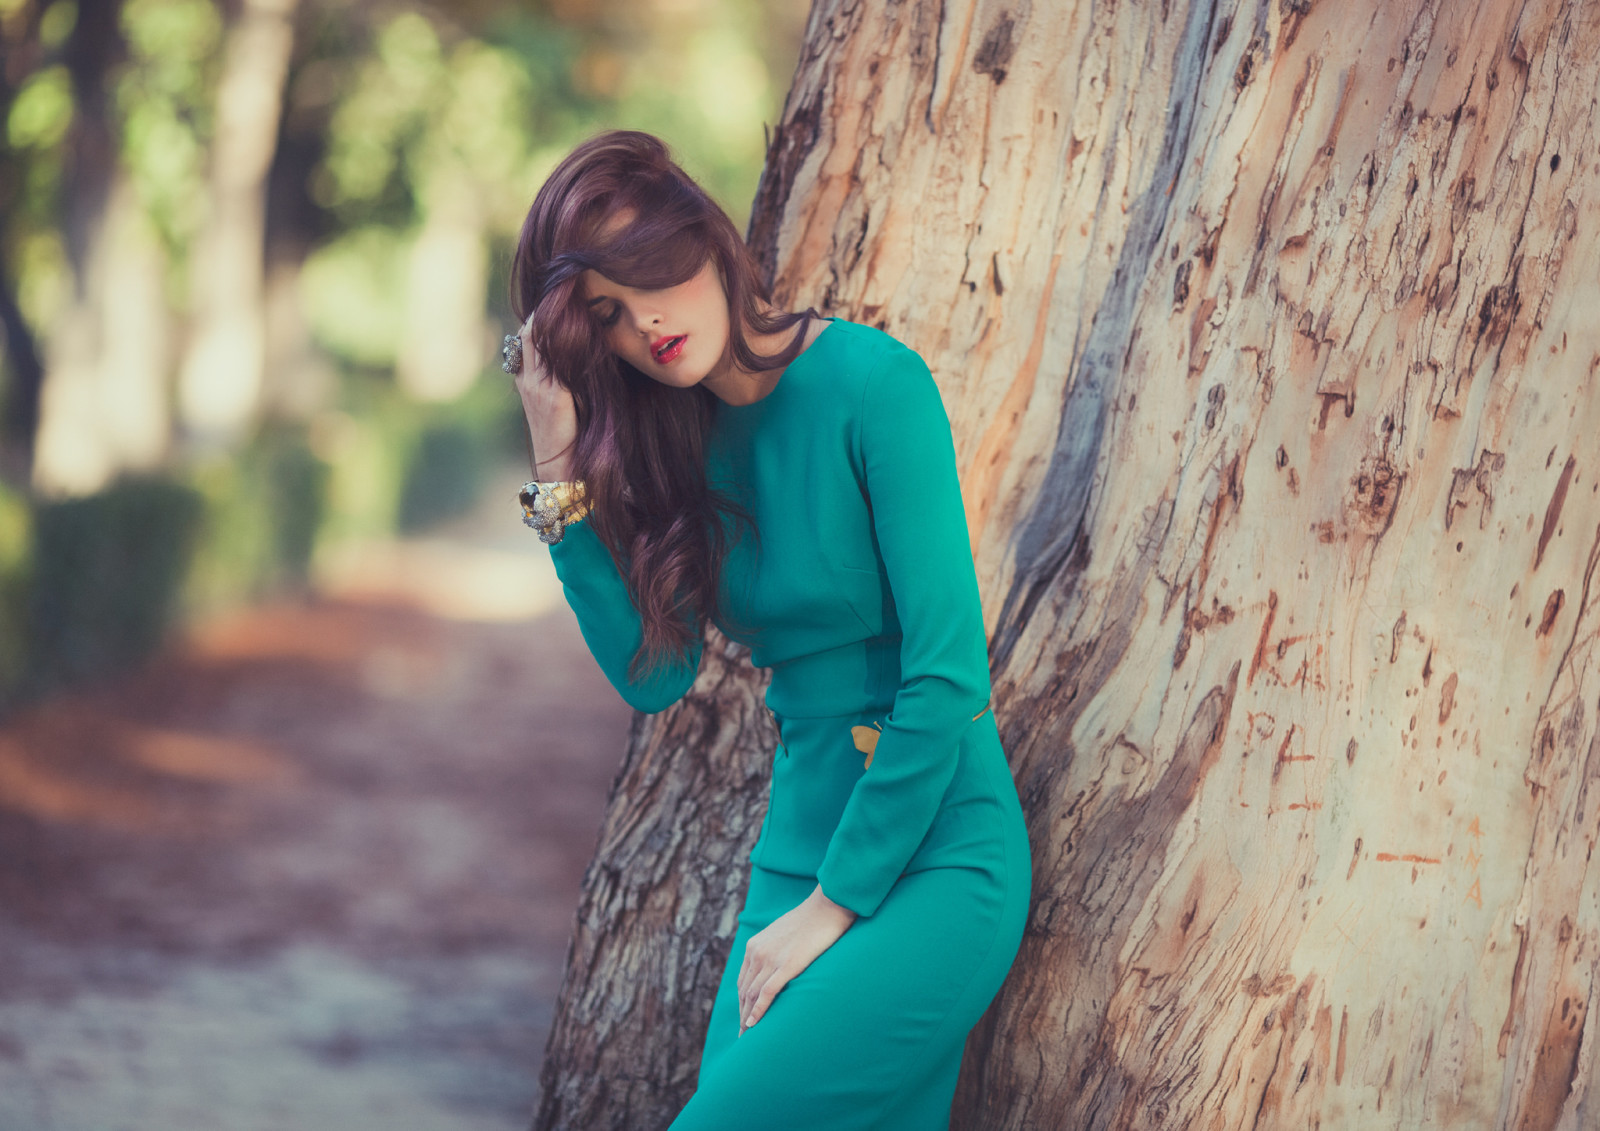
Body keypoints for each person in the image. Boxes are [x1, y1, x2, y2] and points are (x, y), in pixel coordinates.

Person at [505, 129, 1031, 1130]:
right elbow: (657, 677)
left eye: (647, 274)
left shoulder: (876, 384)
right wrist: (557, 473)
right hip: (797, 847)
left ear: (702, 236)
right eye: (606, 315)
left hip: (934, 855)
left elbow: (948, 673)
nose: (643, 321)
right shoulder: (677, 451)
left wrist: (836, 902)